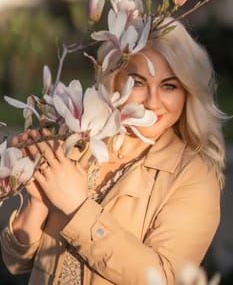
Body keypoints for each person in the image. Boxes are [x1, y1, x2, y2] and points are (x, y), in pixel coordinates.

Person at [0, 18, 226, 285]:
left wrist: (78, 209)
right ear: (113, 81)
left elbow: (164, 279)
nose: (153, 102)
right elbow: (16, 263)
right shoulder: (80, 144)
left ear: (187, 92)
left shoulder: (195, 176)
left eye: (169, 86)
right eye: (138, 83)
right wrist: (38, 202)